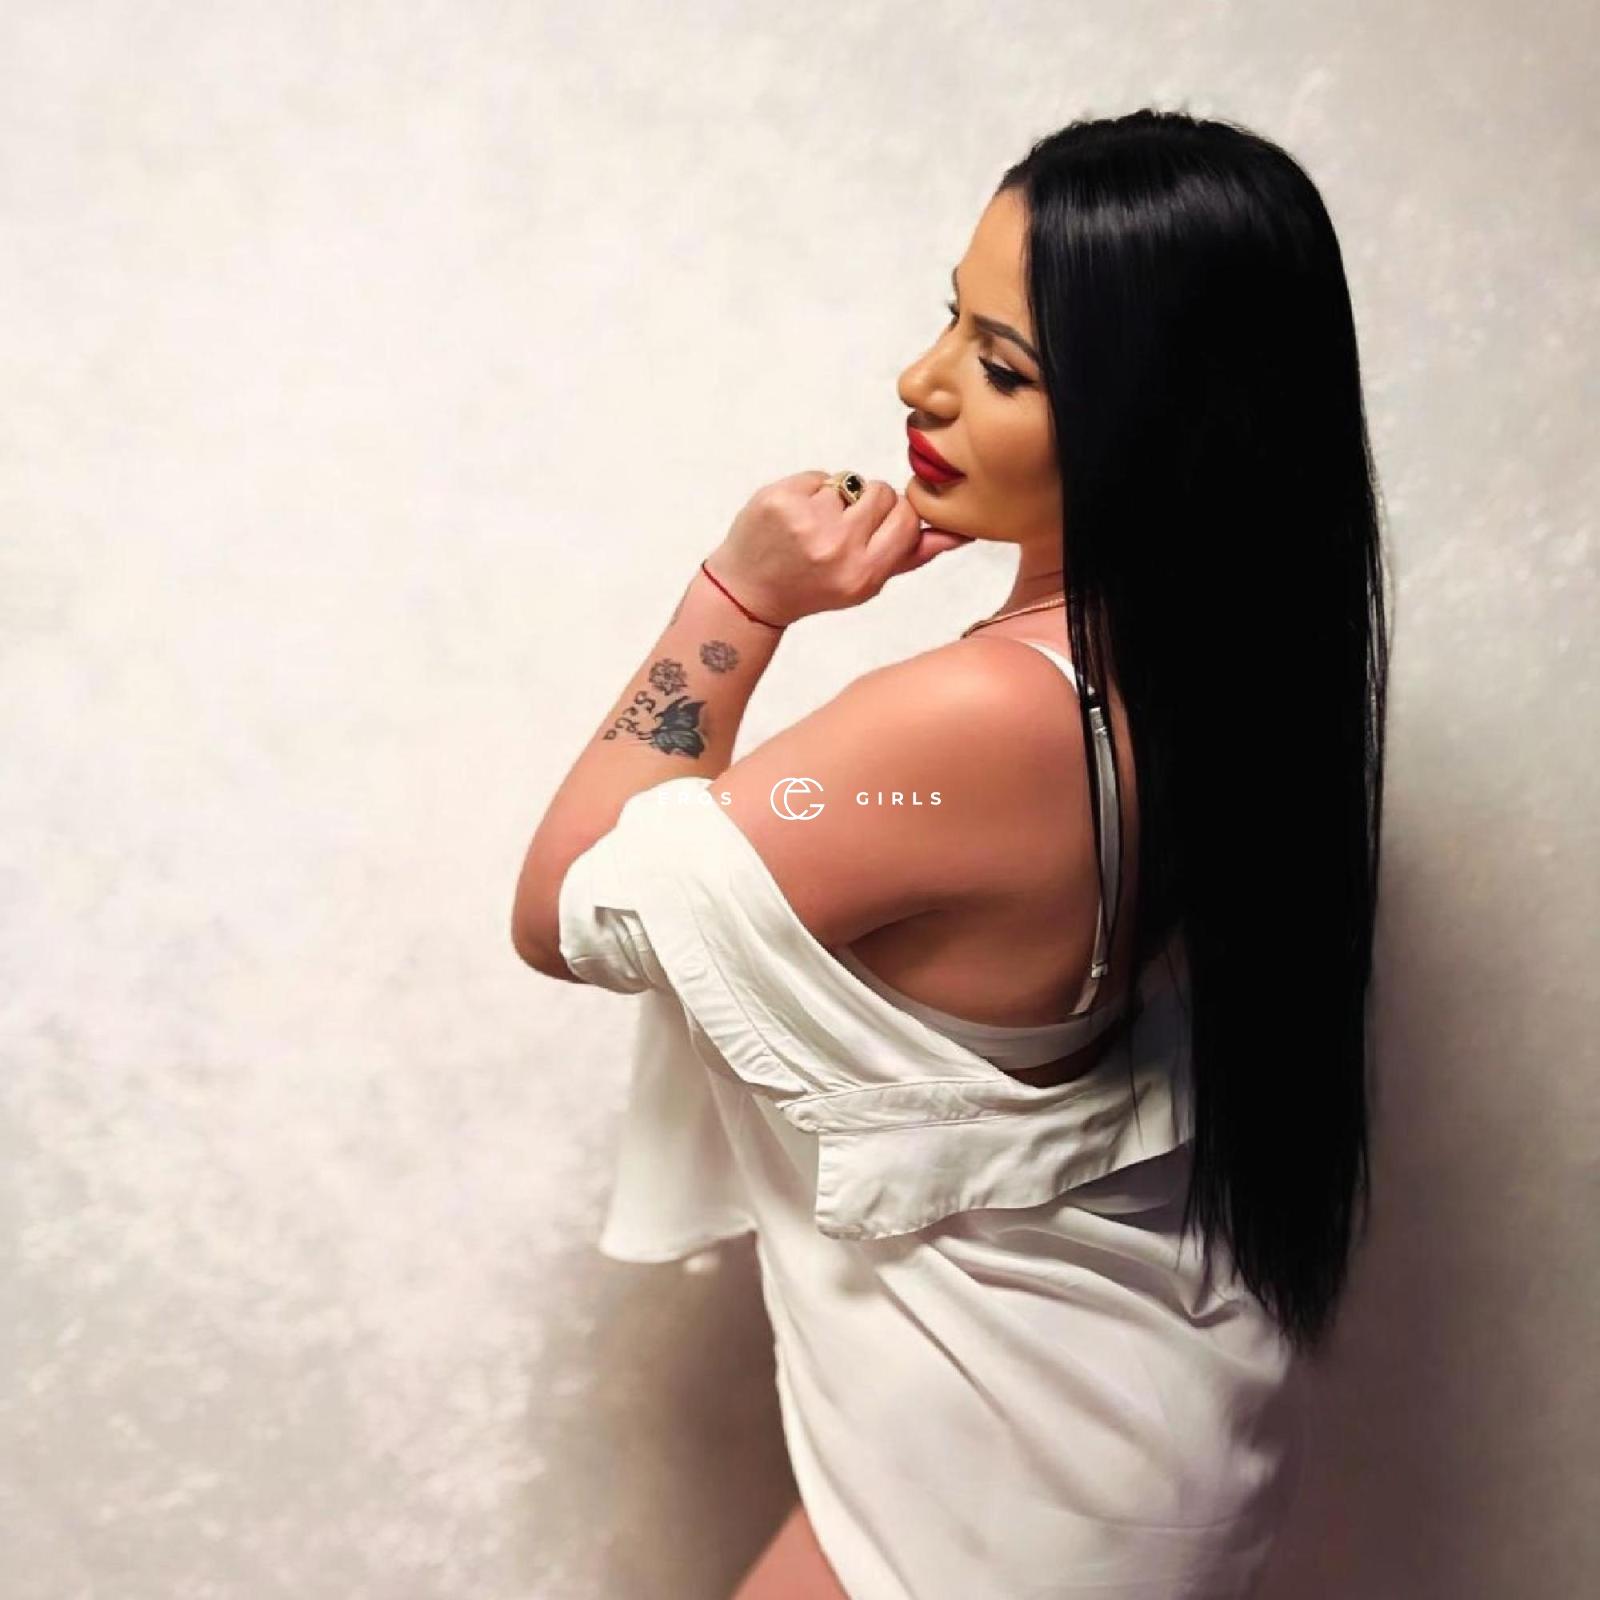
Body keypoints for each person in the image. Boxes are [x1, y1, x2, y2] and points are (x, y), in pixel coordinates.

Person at [512, 107, 1389, 1600]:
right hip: (1104, 1424)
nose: (920, 383)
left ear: (1157, 418)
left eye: (1004, 368)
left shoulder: (984, 716)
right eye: (950, 320)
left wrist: (737, 598)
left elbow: (564, 906)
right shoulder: (1223, 671)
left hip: (1009, 1476)